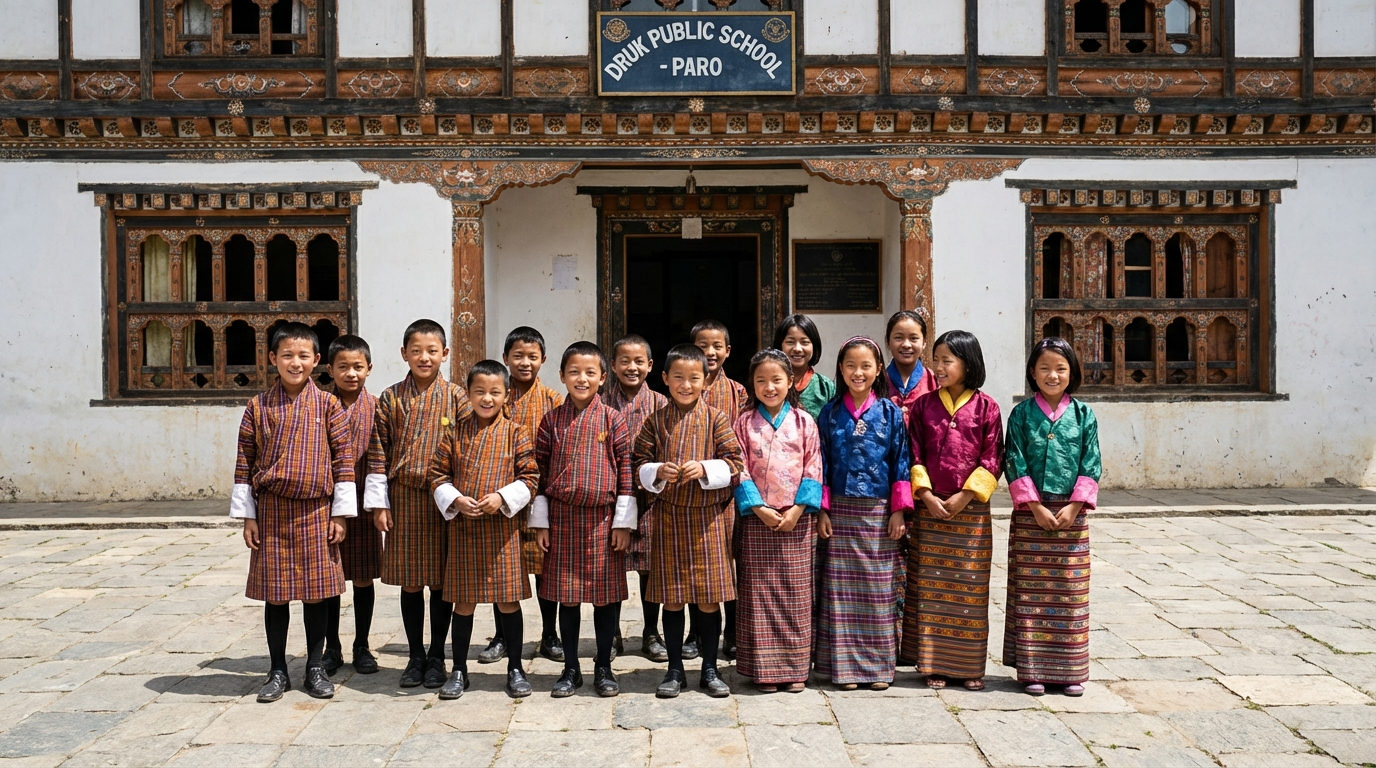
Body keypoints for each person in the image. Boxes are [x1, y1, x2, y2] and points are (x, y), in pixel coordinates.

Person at [232, 322, 356, 703]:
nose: (295, 362)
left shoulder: (328, 405)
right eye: (287, 355)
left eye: (303, 356)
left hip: (317, 511)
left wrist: (340, 515)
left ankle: (315, 667)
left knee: (316, 594)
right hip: (271, 512)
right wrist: (248, 516)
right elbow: (243, 462)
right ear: (273, 359)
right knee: (277, 595)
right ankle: (277, 669)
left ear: (317, 360)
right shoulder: (258, 406)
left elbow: (344, 461)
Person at [633, 344, 745, 699]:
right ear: (664, 379)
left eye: (693, 378)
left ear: (705, 381)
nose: (685, 384)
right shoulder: (655, 421)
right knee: (673, 598)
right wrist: (656, 471)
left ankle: (710, 668)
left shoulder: (716, 418)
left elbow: (735, 462)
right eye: (678, 377)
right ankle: (674, 670)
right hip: (669, 517)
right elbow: (639, 463)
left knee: (710, 599)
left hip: (710, 520)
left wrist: (706, 468)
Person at [364, 319, 469, 689]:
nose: (424, 357)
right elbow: (379, 452)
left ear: (445, 353)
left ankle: (438, 656)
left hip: (443, 501)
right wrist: (380, 504)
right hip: (404, 498)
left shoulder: (457, 397)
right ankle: (414, 656)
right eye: (416, 351)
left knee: (441, 583)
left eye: (432, 350)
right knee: (410, 583)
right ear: (404, 354)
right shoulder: (391, 398)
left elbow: (466, 449)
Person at [530, 341, 638, 698]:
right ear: (561, 376)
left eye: (590, 372)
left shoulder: (612, 419)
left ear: (603, 378)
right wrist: (541, 522)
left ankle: (604, 666)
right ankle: (571, 668)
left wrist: (623, 523)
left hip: (604, 521)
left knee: (606, 598)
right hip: (562, 519)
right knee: (568, 597)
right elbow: (540, 473)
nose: (582, 378)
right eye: (574, 371)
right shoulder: (552, 421)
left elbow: (626, 471)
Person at [428, 359, 540, 700]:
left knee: (507, 602)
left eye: (495, 392)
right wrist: (457, 500)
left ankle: (516, 668)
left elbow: (531, 477)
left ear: (506, 395)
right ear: (468, 394)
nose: (487, 399)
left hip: (501, 533)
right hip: (464, 530)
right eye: (480, 392)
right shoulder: (454, 432)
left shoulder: (517, 433)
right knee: (463, 603)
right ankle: (459, 669)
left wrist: (502, 497)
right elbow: (437, 475)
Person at [906, 330, 1004, 692]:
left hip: (971, 511)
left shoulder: (987, 407)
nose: (940, 366)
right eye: (938, 359)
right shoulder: (923, 406)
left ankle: (969, 665)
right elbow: (913, 452)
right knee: (932, 588)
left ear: (968, 363)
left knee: (969, 589)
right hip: (931, 510)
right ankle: (935, 664)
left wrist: (965, 496)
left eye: (948, 360)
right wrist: (927, 495)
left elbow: (993, 457)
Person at [1003, 337, 1100, 697]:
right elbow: (1013, 459)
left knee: (1069, 593)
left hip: (1072, 518)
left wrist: (1074, 506)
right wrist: (1035, 506)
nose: (1052, 375)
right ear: (1032, 372)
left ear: (1072, 371)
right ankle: (1033, 670)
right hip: (1032, 516)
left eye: (1060, 368)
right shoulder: (1022, 415)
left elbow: (1092, 463)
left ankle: (1070, 669)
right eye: (1044, 367)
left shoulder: (1084, 415)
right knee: (1032, 594)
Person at [814, 336, 912, 691]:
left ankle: (878, 669)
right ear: (840, 370)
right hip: (839, 511)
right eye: (851, 366)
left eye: (866, 366)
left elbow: (902, 462)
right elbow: (820, 463)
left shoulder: (890, 413)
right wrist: (823, 510)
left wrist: (899, 511)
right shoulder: (829, 412)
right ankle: (845, 670)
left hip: (878, 512)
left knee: (878, 591)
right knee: (840, 593)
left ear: (877, 370)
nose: (858, 372)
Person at [731, 349, 823, 694]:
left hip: (797, 521)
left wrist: (799, 509)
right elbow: (737, 467)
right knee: (758, 593)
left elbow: (814, 466)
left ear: (790, 382)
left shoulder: (804, 422)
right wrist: (758, 508)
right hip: (758, 520)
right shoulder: (742, 423)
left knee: (796, 595)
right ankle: (764, 669)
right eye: (761, 380)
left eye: (776, 380)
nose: (769, 387)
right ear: (752, 384)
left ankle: (796, 667)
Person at [481, 327, 566, 665]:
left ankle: (550, 634)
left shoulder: (553, 401)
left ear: (543, 360)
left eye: (532, 356)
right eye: (518, 356)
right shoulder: (495, 396)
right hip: (500, 498)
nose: (525, 362)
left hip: (540, 496)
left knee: (547, 569)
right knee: (500, 570)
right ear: (505, 359)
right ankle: (501, 636)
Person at [603, 335, 671, 663]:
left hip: (650, 498)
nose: (632, 367)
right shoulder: (600, 401)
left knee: (649, 568)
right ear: (613, 365)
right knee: (612, 567)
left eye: (639, 361)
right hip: (611, 499)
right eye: (624, 361)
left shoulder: (661, 403)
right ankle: (612, 633)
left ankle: (651, 632)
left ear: (650, 366)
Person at [322, 334, 381, 676]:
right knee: (329, 578)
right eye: (343, 367)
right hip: (327, 506)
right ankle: (332, 647)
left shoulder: (376, 407)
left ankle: (362, 644)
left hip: (365, 504)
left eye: (358, 367)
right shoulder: (320, 406)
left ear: (369, 368)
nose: (351, 374)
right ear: (330, 369)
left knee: (362, 577)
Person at [691, 319, 746, 660]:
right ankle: (696, 633)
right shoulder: (685, 385)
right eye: (701, 346)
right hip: (691, 493)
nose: (709, 353)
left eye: (716, 346)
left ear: (728, 351)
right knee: (696, 565)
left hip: (727, 493)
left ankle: (733, 632)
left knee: (729, 564)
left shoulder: (738, 392)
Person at [774, 314, 835, 420]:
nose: (797, 348)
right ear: (780, 345)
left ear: (814, 346)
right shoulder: (770, 384)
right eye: (790, 342)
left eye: (805, 342)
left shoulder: (825, 387)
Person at [884, 310, 938, 426]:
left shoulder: (935, 381)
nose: (906, 345)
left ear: (924, 342)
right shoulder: (877, 382)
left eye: (913, 338)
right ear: (888, 342)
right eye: (898, 338)